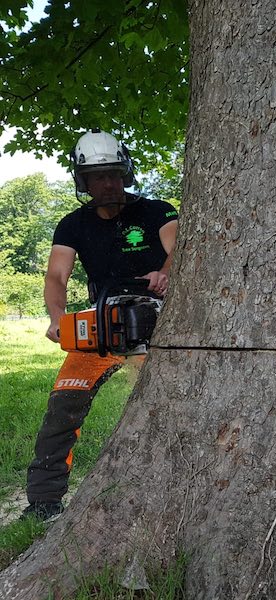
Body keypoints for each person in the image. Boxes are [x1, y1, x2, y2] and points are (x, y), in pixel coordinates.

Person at [22, 129, 178, 521]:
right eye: (97, 176)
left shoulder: (157, 211)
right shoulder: (73, 225)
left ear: (124, 173)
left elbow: (180, 251)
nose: (107, 183)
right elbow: (56, 276)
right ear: (84, 181)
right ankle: (43, 501)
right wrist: (57, 318)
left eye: (113, 174)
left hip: (156, 322)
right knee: (62, 409)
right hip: (101, 324)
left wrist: (164, 272)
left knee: (167, 407)